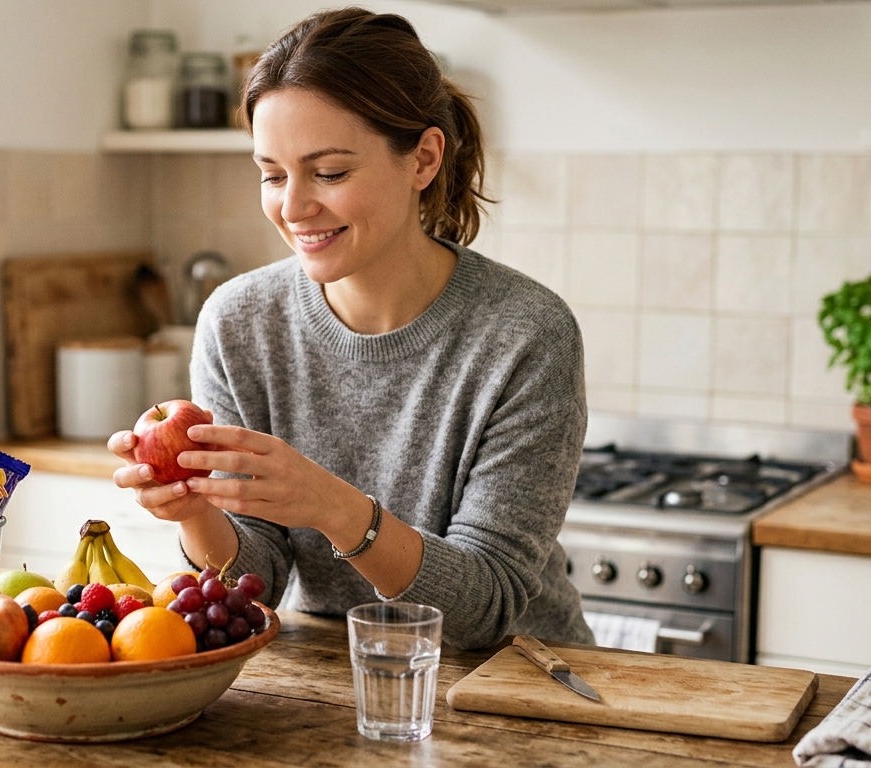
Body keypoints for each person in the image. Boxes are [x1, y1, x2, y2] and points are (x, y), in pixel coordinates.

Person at [109, 7, 592, 651]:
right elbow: (258, 578)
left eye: (329, 173)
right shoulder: (238, 322)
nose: (293, 206)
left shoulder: (526, 334)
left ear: (422, 159)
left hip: (519, 687)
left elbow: (486, 610)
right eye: (272, 174)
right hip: (337, 680)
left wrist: (333, 507)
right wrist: (194, 511)